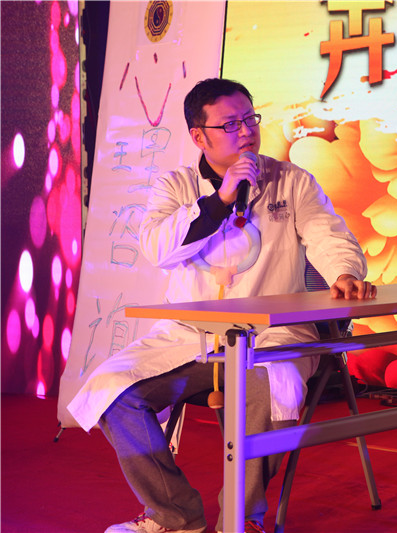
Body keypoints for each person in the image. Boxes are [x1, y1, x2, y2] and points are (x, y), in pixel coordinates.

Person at [68, 78, 376, 533]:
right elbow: (157, 249)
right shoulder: (175, 185)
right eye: (230, 124)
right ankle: (175, 517)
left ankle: (241, 519)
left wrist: (344, 272)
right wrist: (220, 200)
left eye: (250, 119)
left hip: (271, 334)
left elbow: (328, 235)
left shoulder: (291, 181)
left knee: (271, 385)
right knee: (113, 391)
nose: (246, 131)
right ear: (199, 136)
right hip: (189, 338)